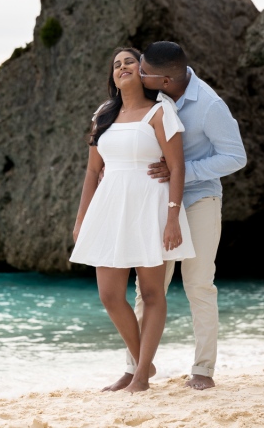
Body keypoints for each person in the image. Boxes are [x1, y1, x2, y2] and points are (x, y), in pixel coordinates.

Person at [102, 41, 247, 392]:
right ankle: (137, 367)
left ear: (164, 80)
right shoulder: (151, 100)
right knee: (147, 289)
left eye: (144, 71)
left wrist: (183, 171)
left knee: (198, 284)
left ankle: (202, 369)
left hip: (199, 199)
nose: (137, 73)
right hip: (155, 202)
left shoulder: (210, 106)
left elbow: (236, 156)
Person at [70, 47, 195, 393]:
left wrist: (172, 218)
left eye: (129, 62)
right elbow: (93, 172)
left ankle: (140, 378)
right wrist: (82, 218)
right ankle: (145, 363)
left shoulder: (160, 111)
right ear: (113, 76)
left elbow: (178, 167)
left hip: (150, 206)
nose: (122, 67)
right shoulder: (103, 115)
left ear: (141, 72)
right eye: (116, 64)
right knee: (110, 295)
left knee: (153, 293)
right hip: (110, 209)